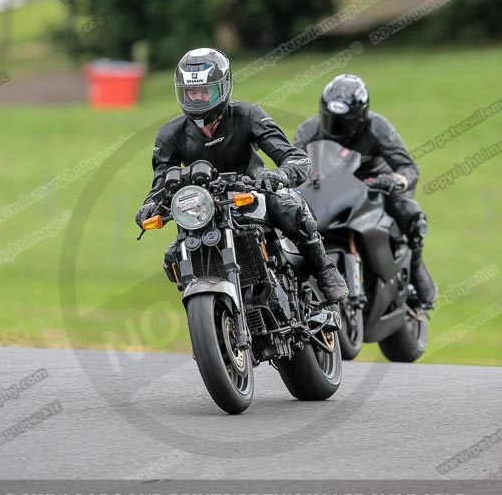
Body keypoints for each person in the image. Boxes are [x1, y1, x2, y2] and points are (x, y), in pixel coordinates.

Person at [135, 48, 348, 305]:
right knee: (174, 257)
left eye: (205, 91)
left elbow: (296, 158)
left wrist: (279, 175)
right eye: (191, 92)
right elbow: (161, 183)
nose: (198, 98)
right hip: (205, 206)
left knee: (290, 208)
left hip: (254, 191)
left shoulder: (248, 115)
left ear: (223, 87)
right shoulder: (170, 134)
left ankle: (325, 270)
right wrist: (151, 205)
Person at [294, 73, 438, 309]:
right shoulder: (308, 131)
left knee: (409, 213)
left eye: (344, 122)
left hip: (375, 185)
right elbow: (296, 167)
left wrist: (395, 180)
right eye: (332, 119)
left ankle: (415, 266)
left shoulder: (378, 127)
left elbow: (408, 167)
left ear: (360, 118)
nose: (337, 127)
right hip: (330, 190)